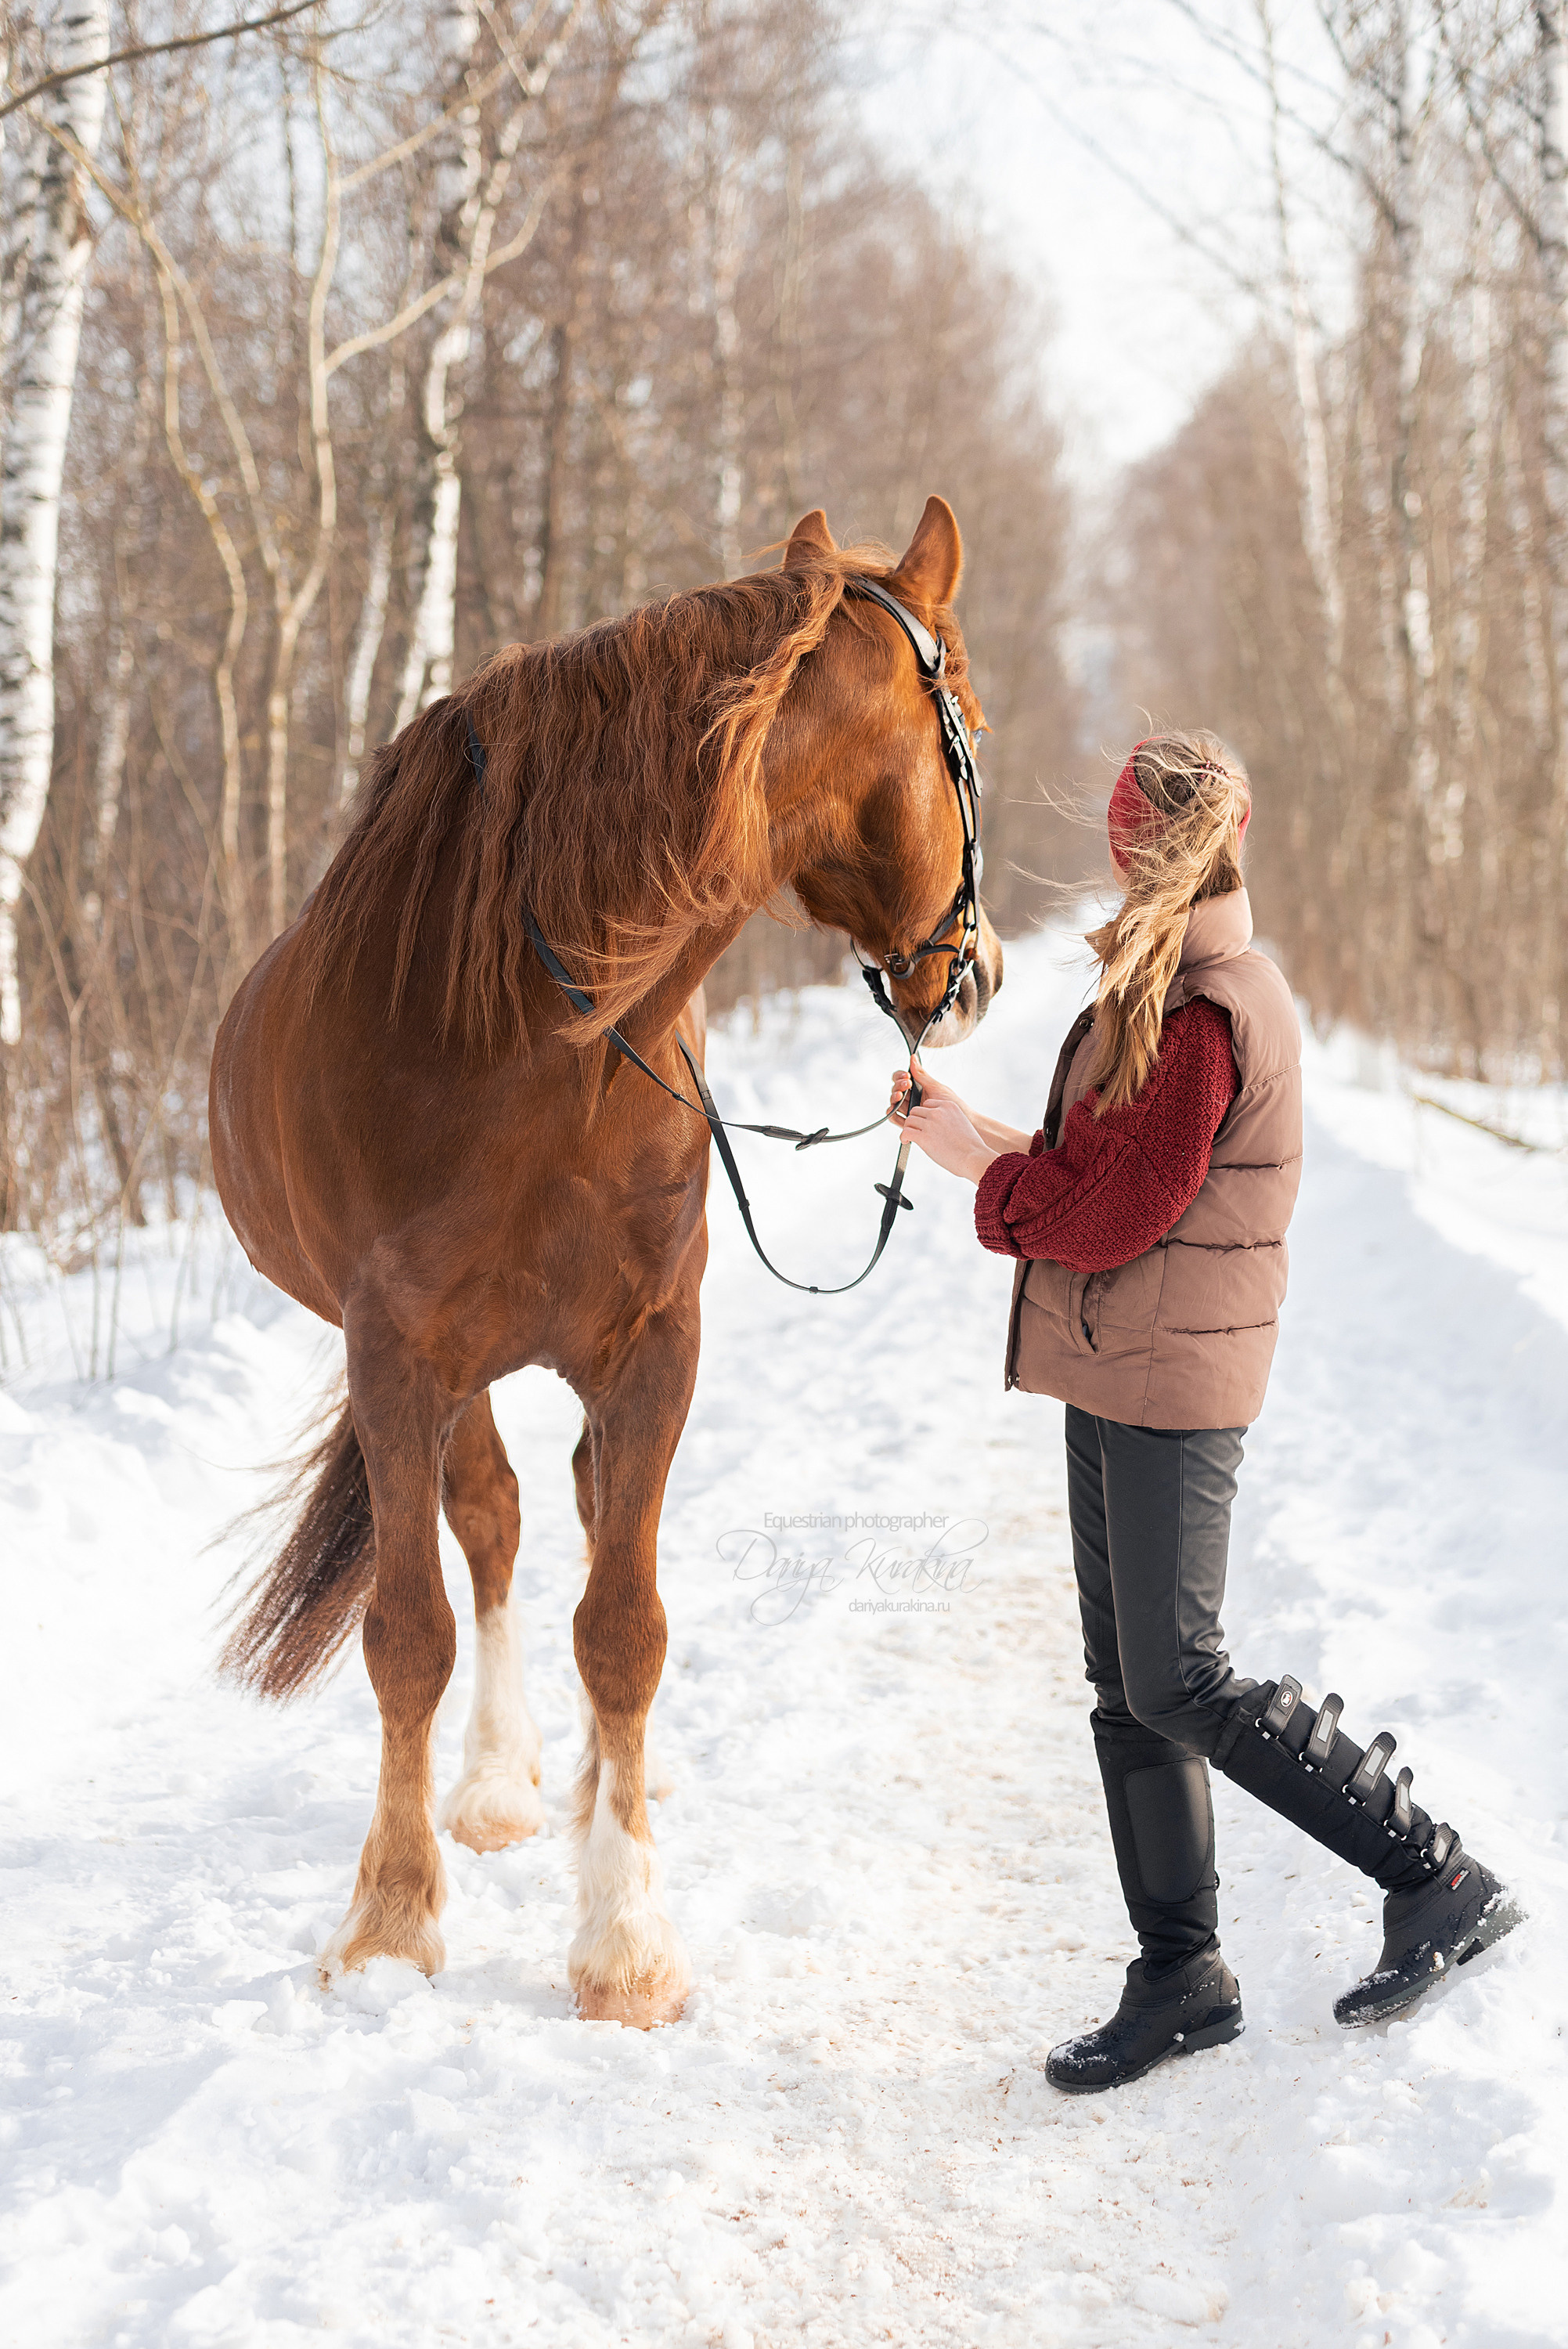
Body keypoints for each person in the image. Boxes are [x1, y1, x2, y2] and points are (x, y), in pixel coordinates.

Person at [887, 730, 1523, 2094]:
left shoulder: (1208, 1011)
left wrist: (985, 1190)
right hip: (1118, 1361)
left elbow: (1120, 1209)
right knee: (1129, 1686)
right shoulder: (1167, 988)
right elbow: (1096, 1170)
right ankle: (1180, 1975)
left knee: (1179, 1676)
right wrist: (974, 1136)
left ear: (1143, 851)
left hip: (1173, 1377)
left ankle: (1434, 1873)